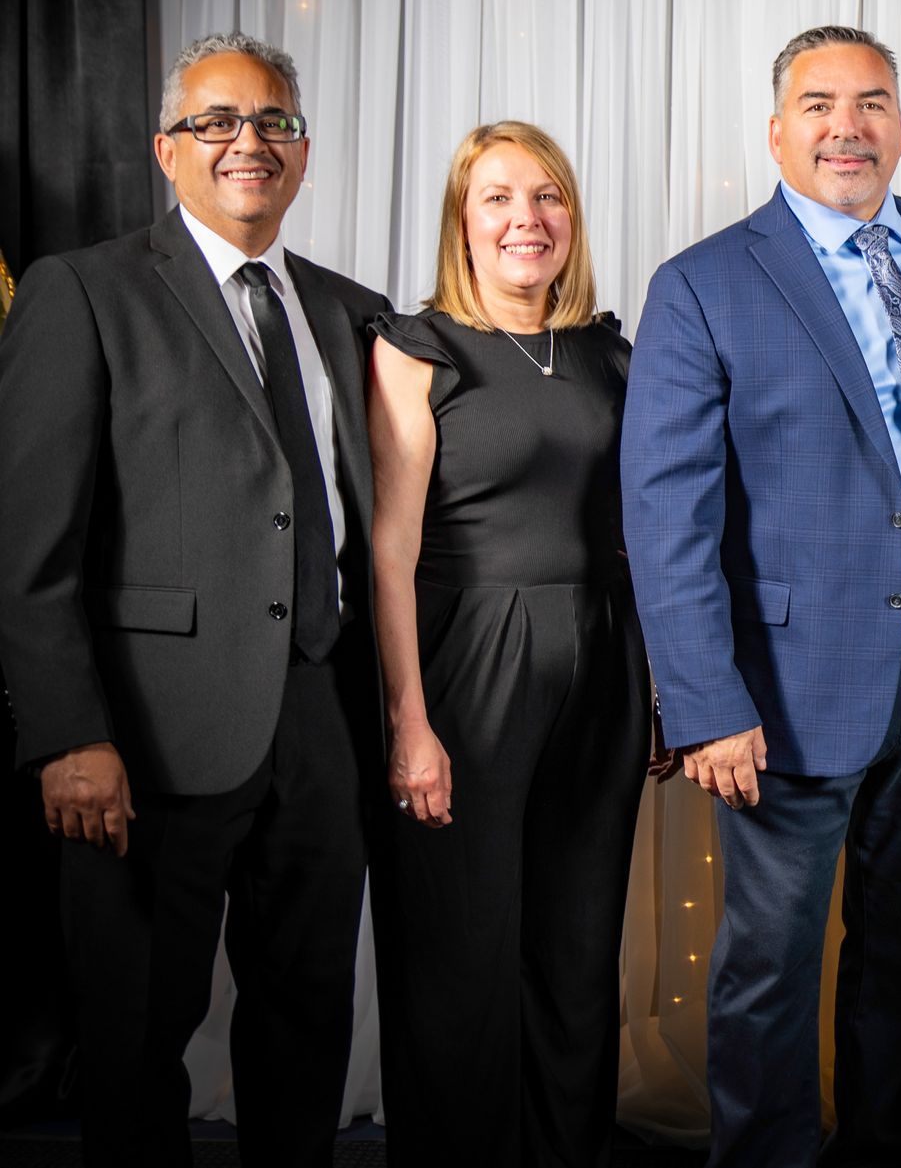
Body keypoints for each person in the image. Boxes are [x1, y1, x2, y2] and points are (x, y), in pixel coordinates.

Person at [624, 25, 901, 1167]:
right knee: (771, 967)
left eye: (872, 102)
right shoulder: (703, 281)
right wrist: (702, 697)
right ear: (776, 130)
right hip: (782, 689)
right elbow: (666, 510)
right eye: (818, 104)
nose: (846, 125)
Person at [0, 31, 388, 1165]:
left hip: (320, 715)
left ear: (303, 154)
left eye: (272, 121)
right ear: (166, 150)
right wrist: (70, 732)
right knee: (135, 1030)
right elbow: (29, 544)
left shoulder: (344, 310)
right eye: (216, 121)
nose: (247, 142)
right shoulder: (85, 291)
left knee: (309, 1015)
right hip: (147, 728)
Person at [366, 121, 646, 1165]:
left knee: (576, 952)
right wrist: (408, 721)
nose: (525, 218)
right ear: (462, 221)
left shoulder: (610, 351)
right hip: (469, 662)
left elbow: (636, 528)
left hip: (603, 659)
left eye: (546, 196)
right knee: (460, 957)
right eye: (496, 198)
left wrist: (656, 685)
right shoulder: (416, 348)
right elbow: (389, 553)